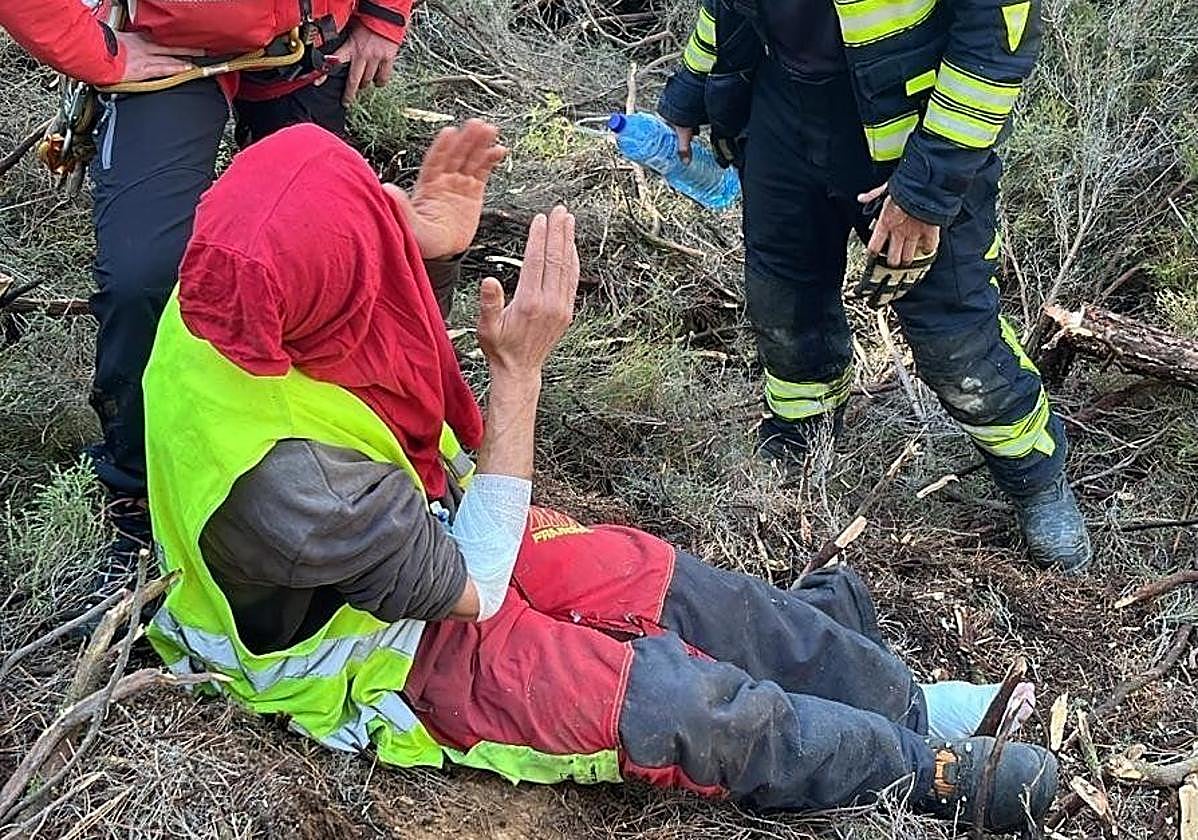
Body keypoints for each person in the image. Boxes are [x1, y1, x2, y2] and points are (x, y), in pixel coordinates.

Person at [141, 121, 1058, 833]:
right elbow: (473, 587)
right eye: (376, 247)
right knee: (672, 703)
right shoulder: (290, 486)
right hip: (379, 652)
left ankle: (907, 703)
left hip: (413, 530)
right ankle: (920, 773)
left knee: (674, 585)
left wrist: (425, 245)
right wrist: (519, 375)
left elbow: (368, 337)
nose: (389, 255)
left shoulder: (229, 284)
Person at [657, 0, 1092, 573]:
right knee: (784, 301)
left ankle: (1035, 475)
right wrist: (692, 88)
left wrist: (928, 189)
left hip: (912, 131)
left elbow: (995, 33)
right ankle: (803, 433)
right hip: (780, 112)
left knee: (954, 338)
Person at [0, 0, 421, 584]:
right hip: (168, 48)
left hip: (309, 41)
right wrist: (98, 52)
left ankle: (332, 464)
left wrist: (383, 14)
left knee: (323, 258)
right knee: (145, 275)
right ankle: (139, 488)